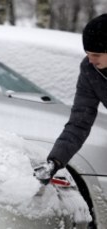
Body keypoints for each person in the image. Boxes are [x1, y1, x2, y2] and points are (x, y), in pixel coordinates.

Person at [34, 13, 107, 184]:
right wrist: (55, 161)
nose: (90, 60)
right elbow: (80, 121)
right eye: (87, 53)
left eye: (96, 54)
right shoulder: (90, 71)